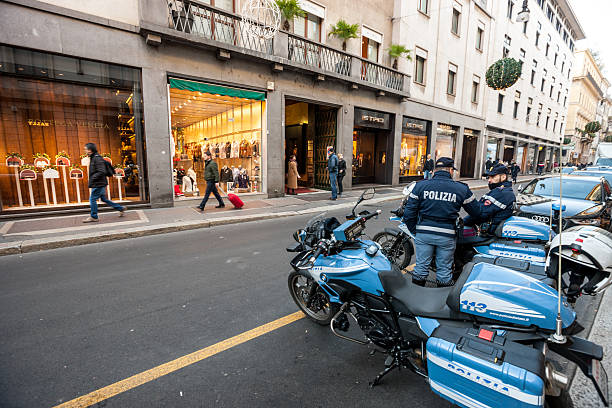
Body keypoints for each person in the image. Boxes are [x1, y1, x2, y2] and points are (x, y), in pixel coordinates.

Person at [403, 157, 481, 287]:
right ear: (450, 170)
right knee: (444, 271)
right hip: (447, 235)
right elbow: (477, 212)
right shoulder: (461, 188)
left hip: (424, 233)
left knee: (421, 268)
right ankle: (441, 302)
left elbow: (408, 214)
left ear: (434, 171)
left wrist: (416, 231)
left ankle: (415, 298)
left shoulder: (420, 186)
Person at [464, 163, 516, 235]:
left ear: (503, 177)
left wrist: (462, 222)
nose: (489, 180)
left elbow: (480, 213)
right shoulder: (505, 191)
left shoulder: (501, 193)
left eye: (492, 177)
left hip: (490, 234)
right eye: (489, 177)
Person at [82, 143, 125, 222]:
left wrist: (93, 178)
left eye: (86, 149)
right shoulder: (94, 157)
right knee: (103, 199)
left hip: (98, 183)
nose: (85, 150)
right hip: (100, 182)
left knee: (92, 199)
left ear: (90, 150)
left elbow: (101, 171)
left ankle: (94, 217)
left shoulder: (96, 158)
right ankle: (120, 208)